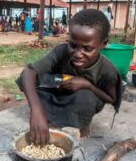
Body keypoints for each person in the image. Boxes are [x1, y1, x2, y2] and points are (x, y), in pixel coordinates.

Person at [17, 9, 122, 145]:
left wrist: (87, 85)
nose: (78, 53)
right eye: (73, 45)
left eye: (87, 49)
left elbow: (111, 99)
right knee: (29, 82)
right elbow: (28, 72)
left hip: (82, 100)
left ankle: (81, 124)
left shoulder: (107, 70)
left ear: (104, 43)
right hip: (60, 92)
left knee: (85, 98)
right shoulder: (61, 51)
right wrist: (36, 110)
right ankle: (46, 117)